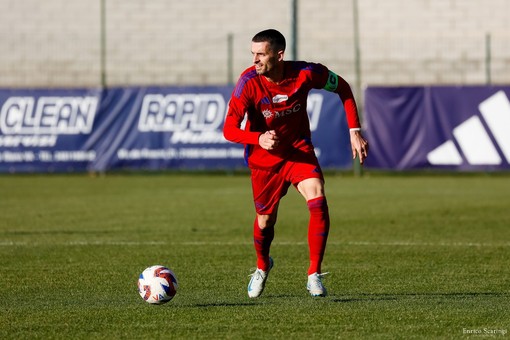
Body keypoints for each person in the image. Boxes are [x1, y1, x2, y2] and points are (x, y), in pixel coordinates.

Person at [223, 29, 368, 298]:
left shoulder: (306, 73)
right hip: (264, 160)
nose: (254, 60)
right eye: (252, 54)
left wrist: (354, 130)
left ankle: (314, 274)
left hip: (298, 151)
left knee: (317, 198)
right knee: (265, 221)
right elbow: (229, 129)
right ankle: (263, 266)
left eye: (260, 54)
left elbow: (344, 88)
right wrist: (258, 137)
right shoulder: (248, 82)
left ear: (279, 55)